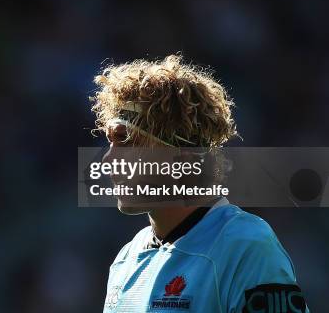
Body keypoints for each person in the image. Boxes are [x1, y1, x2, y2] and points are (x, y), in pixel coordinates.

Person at [91, 55, 308, 312]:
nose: (108, 158)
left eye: (126, 141)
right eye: (111, 141)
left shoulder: (246, 246)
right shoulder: (126, 260)